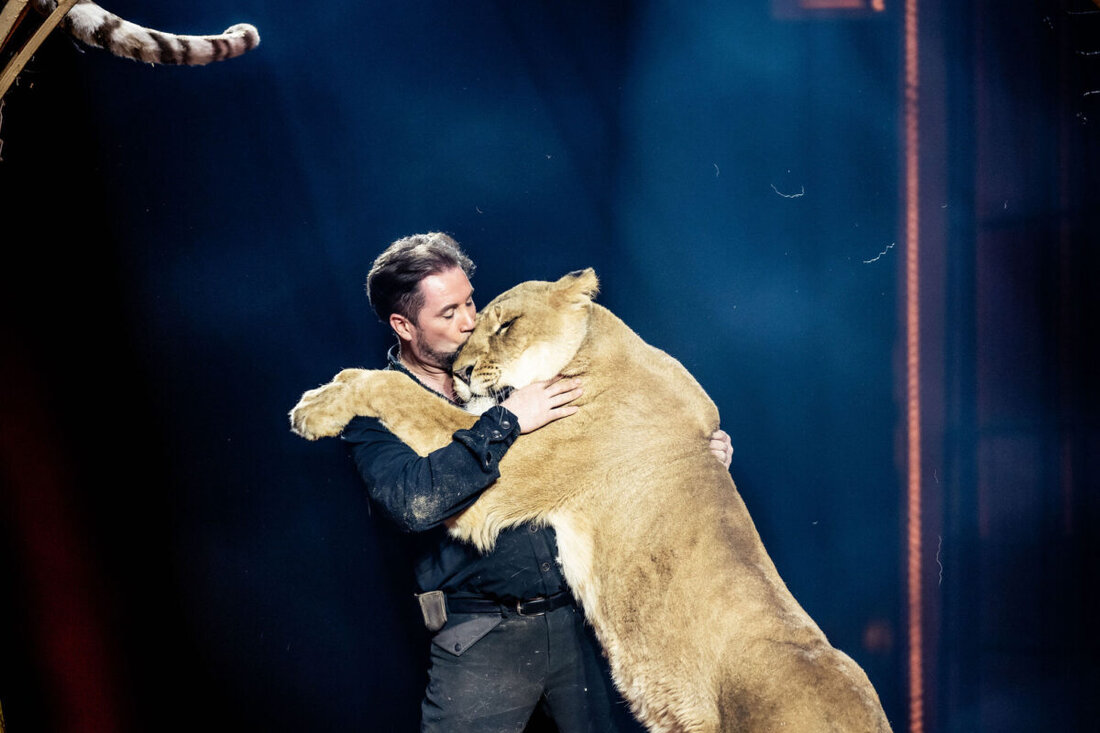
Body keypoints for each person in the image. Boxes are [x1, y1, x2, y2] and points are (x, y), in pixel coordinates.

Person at [341, 232, 733, 732]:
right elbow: (414, 503)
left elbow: (605, 446)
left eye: (471, 303)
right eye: (448, 314)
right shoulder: (374, 411)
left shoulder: (513, 364)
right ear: (403, 324)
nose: (470, 323)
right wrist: (504, 421)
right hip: (483, 637)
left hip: (584, 623)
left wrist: (693, 453)